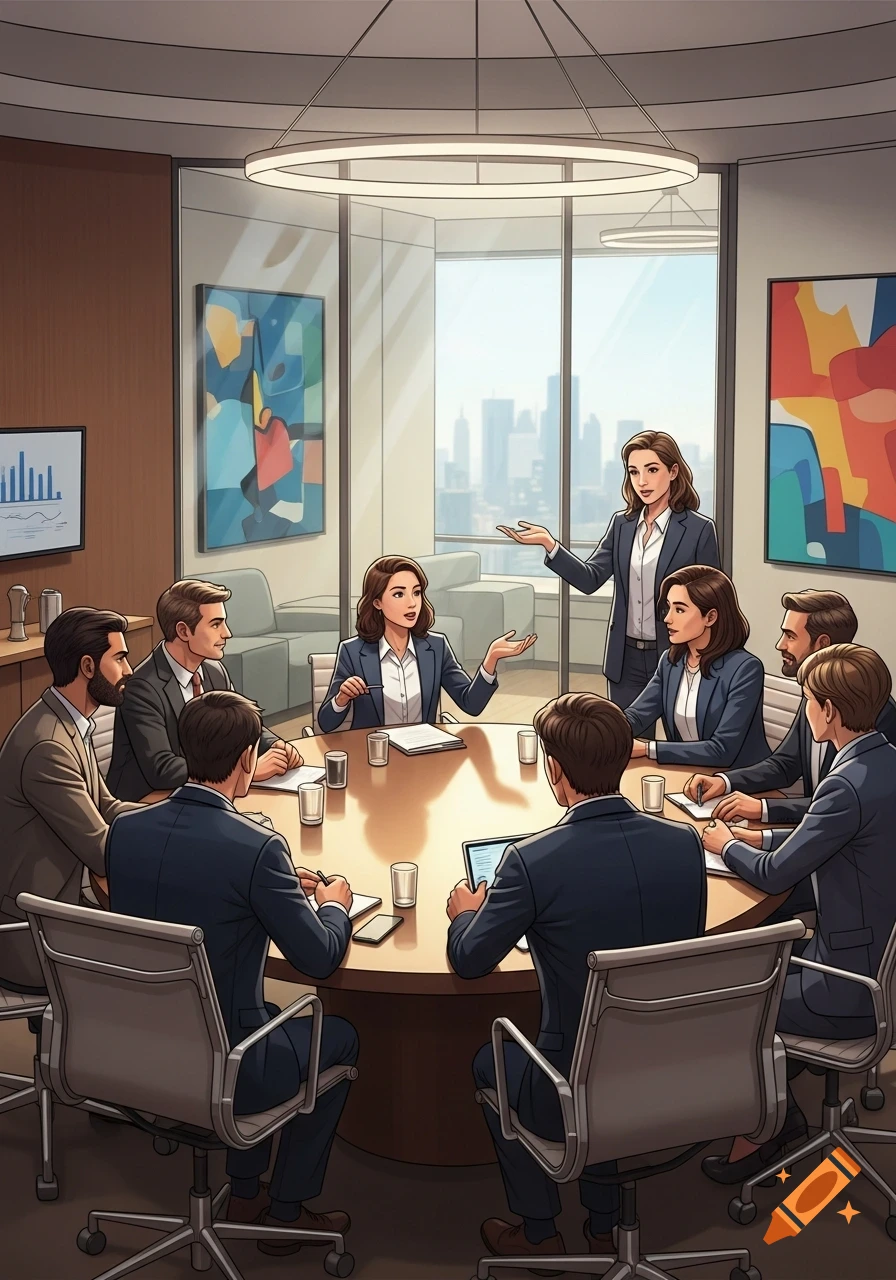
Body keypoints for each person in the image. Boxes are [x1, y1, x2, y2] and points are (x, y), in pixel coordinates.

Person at [446, 693, 706, 1267]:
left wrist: (465, 911)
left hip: (575, 1083)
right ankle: (604, 1221)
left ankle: (538, 1230)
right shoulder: (683, 843)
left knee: (494, 1062)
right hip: (681, 1066)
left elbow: (469, 960)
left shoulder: (531, 860)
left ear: (555, 770)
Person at [107, 690, 357, 1251]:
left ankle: (246, 1189)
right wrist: (335, 903)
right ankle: (285, 1211)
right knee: (334, 1037)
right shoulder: (258, 848)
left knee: (258, 1012)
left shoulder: (125, 831)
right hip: (229, 1064)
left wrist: (277, 884)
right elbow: (318, 957)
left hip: (131, 1048)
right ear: (247, 758)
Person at [701, 644, 896, 1185]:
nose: (805, 710)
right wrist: (761, 835)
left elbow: (772, 876)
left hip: (850, 986)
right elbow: (838, 837)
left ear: (829, 710)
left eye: (808, 701)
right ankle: (779, 1097)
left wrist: (724, 845)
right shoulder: (883, 764)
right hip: (884, 969)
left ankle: (772, 1128)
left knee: (729, 994)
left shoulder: (842, 784)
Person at [497, 430, 719, 728]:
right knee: (624, 742)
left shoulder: (698, 530)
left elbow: (713, 602)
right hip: (624, 659)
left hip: (675, 655)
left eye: (652, 470)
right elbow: (590, 579)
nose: (642, 481)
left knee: (679, 742)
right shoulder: (622, 525)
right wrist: (550, 545)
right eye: (634, 471)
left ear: (673, 471)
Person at [0, 608, 140, 994]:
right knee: (160, 958)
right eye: (120, 658)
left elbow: (106, 807)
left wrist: (175, 819)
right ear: (87, 666)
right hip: (30, 936)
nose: (129, 670)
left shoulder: (67, 723)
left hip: (61, 908)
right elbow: (99, 849)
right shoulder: (48, 746)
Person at [684, 588, 896, 826]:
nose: (779, 645)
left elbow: (845, 803)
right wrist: (725, 781)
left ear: (822, 643)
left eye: (790, 636)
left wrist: (763, 808)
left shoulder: (877, 711)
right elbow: (785, 765)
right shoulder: (815, 696)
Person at [108, 578, 302, 801]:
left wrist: (274, 745)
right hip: (147, 805)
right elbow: (162, 769)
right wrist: (244, 770)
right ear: (183, 631)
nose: (227, 633)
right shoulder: (143, 688)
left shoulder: (214, 671)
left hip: (200, 796)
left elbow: (241, 724)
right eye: (216, 624)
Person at [318, 555, 536, 733]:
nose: (412, 603)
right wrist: (342, 698)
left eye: (416, 592)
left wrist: (491, 660)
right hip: (374, 758)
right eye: (399, 594)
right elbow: (326, 724)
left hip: (424, 756)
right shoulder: (353, 652)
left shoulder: (436, 647)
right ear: (377, 602)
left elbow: (471, 704)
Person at [624, 565, 769, 769]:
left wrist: (649, 749)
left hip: (736, 782)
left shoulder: (745, 669)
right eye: (669, 607)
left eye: (680, 609)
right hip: (684, 772)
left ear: (710, 617)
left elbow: (722, 749)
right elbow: (637, 716)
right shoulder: (671, 662)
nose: (667, 618)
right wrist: (597, 729)